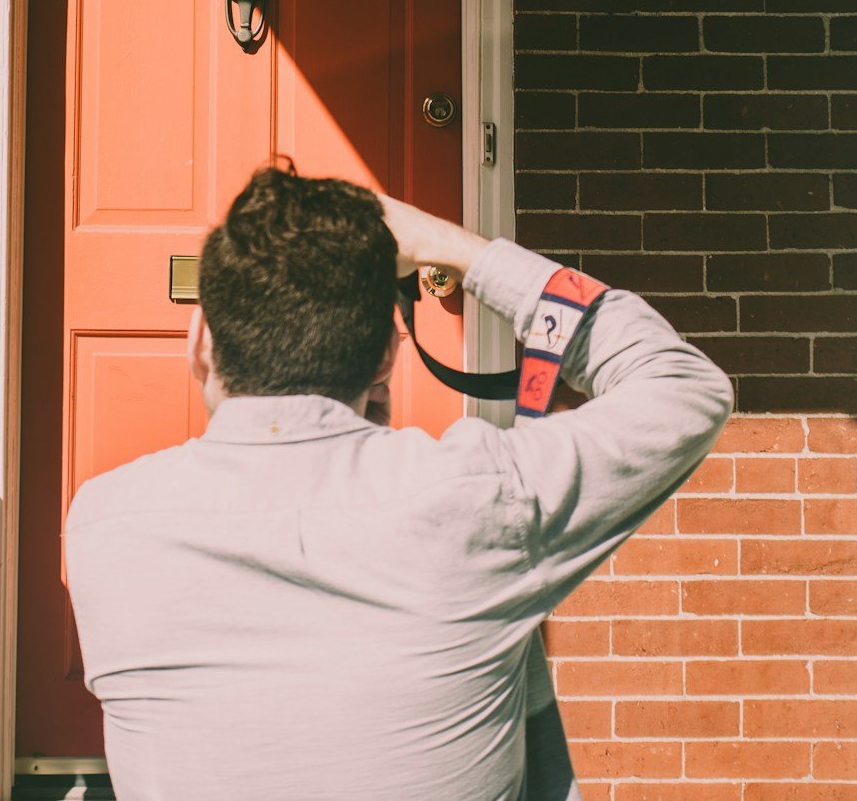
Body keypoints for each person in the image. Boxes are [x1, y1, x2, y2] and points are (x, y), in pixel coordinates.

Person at [63, 166, 734, 800]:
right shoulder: (474, 499)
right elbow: (684, 384)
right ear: (387, 352)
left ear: (201, 340)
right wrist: (455, 247)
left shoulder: (103, 524)